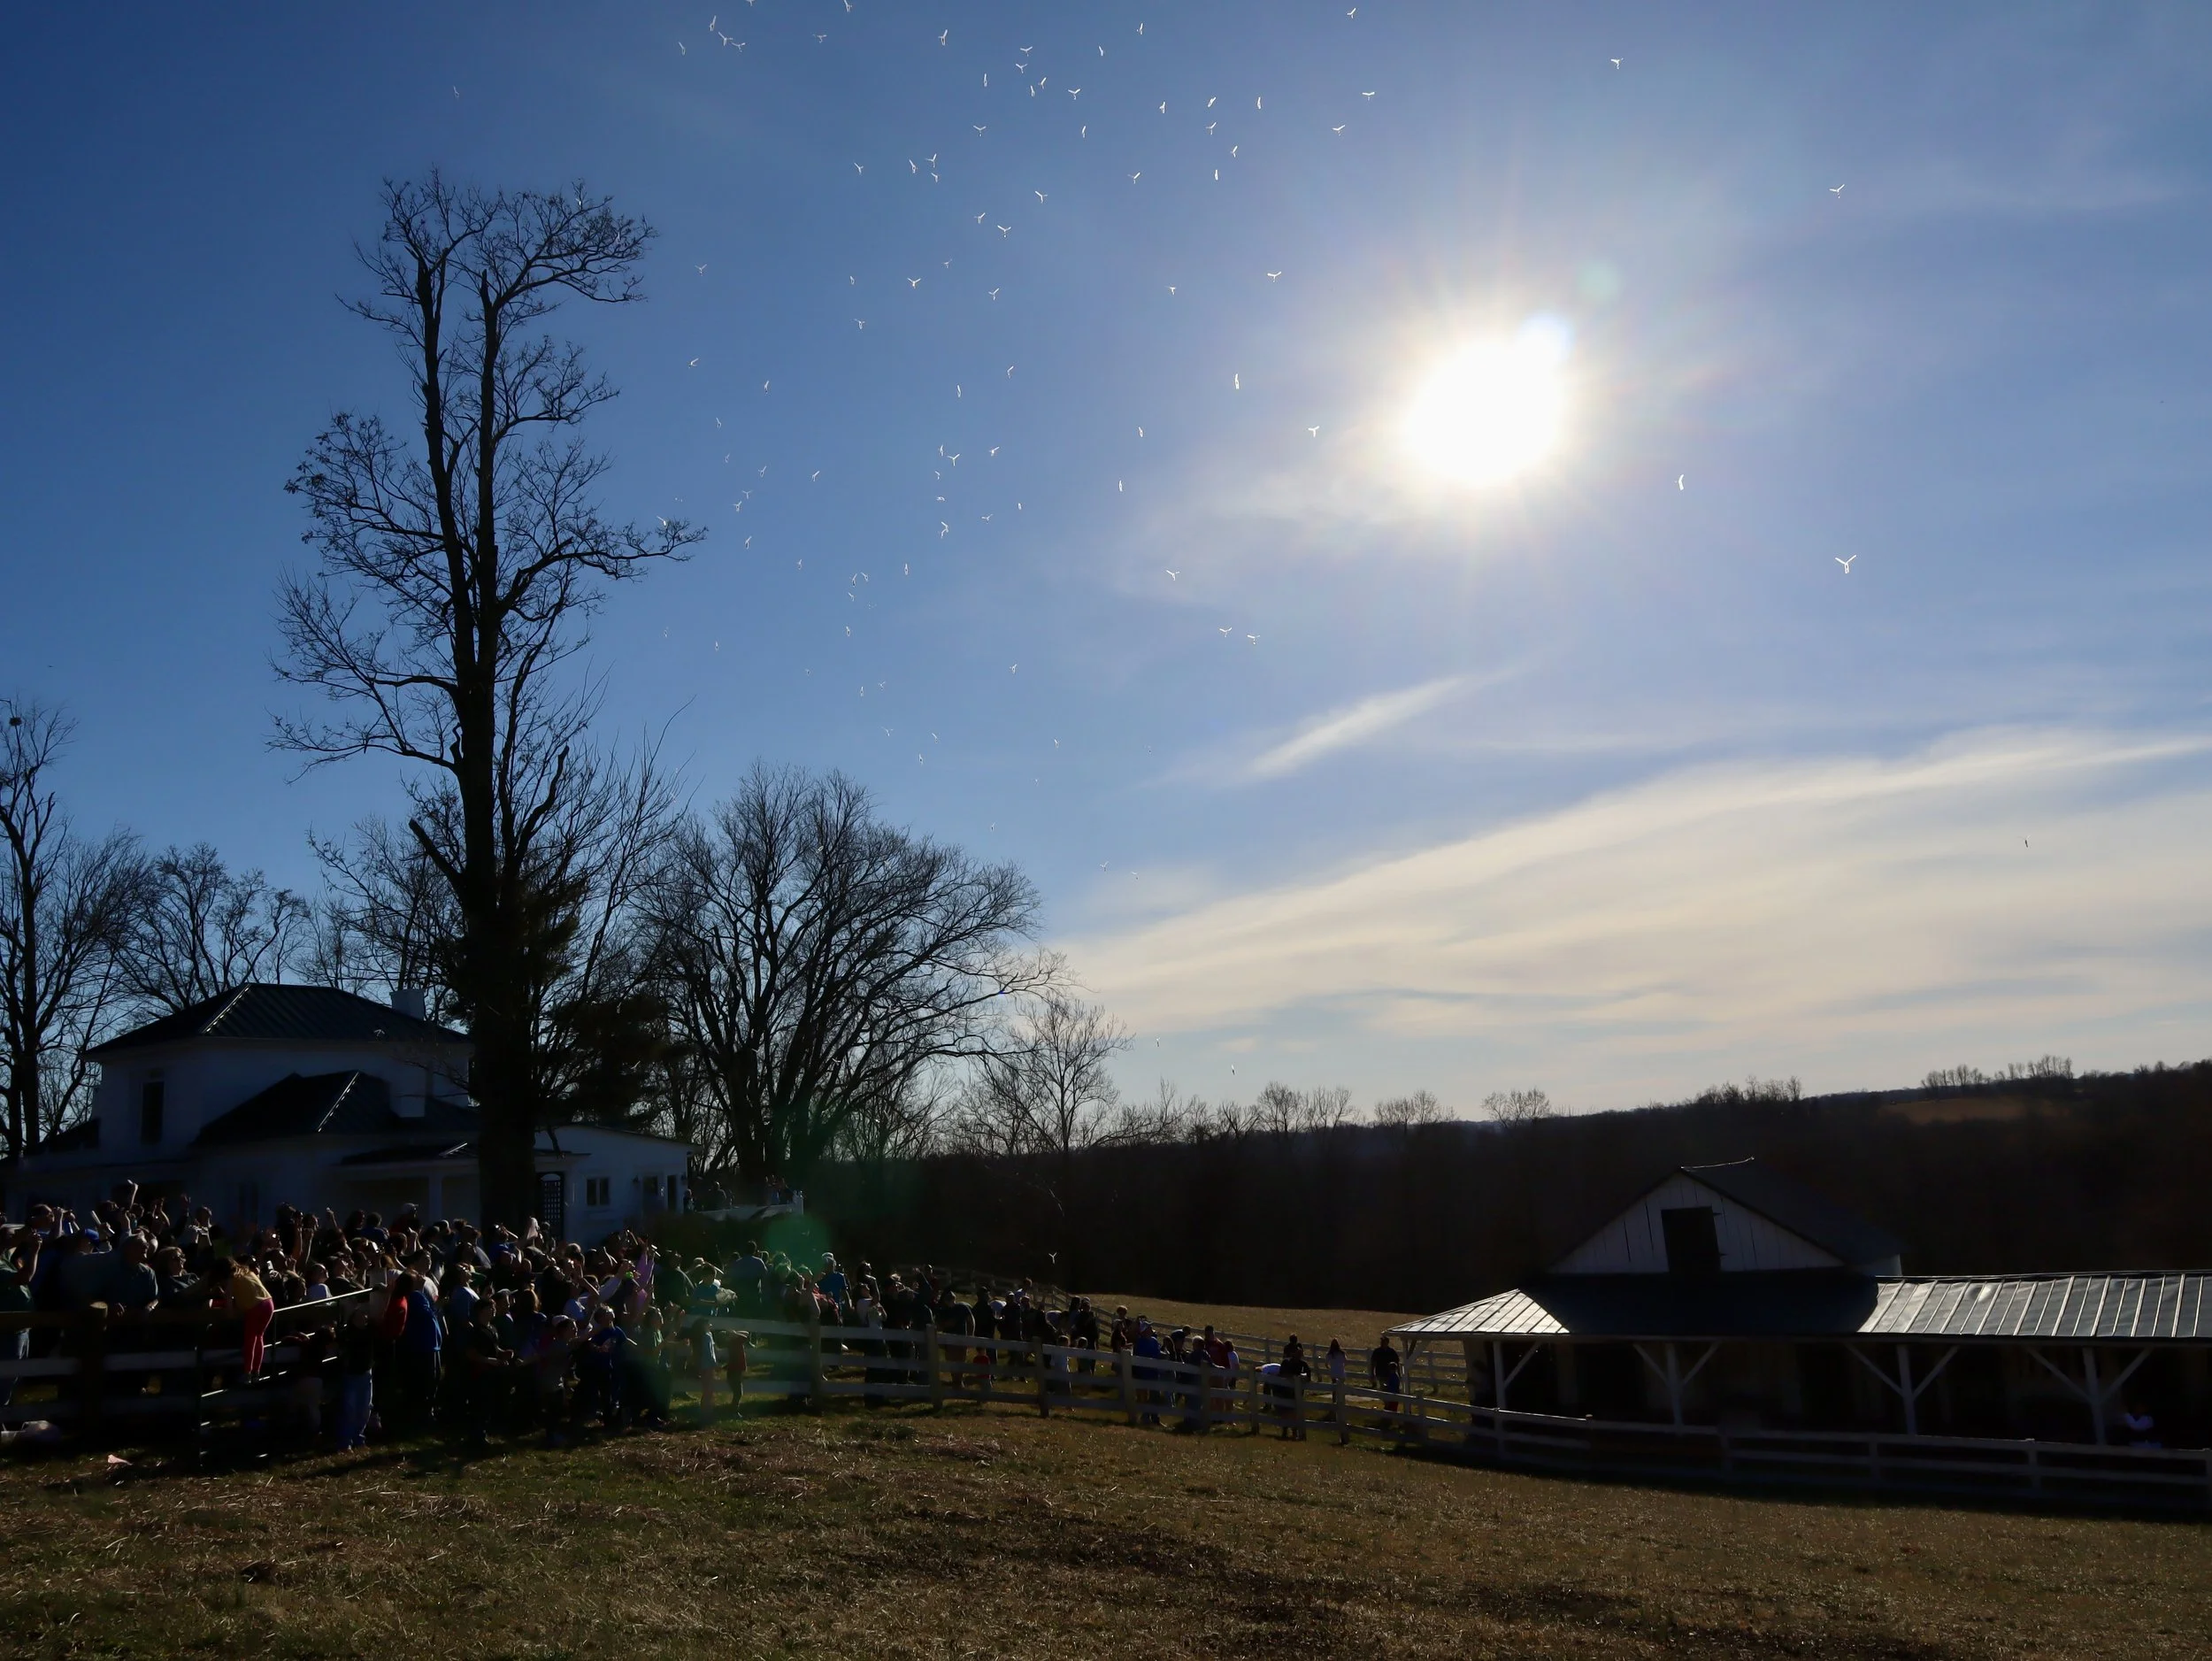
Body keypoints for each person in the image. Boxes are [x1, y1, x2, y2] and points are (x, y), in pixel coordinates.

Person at [334, 1307, 376, 1450]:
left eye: (364, 1314)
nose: (364, 1317)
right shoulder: (347, 1335)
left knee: (365, 1408)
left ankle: (358, 1438)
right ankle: (346, 1441)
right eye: (360, 1315)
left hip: (365, 1373)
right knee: (349, 1409)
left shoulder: (370, 1331)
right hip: (351, 1374)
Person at [1369, 1335, 1402, 1414]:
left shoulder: (1391, 1351)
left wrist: (1399, 1373)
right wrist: (1372, 1373)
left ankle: (1388, 1406)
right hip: (1380, 1373)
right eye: (1381, 1341)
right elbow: (1373, 1363)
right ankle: (1387, 1404)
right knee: (1383, 1390)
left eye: (1383, 1341)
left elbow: (1397, 1362)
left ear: (1387, 1342)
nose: (1382, 1343)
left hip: (1389, 1374)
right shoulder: (1377, 1351)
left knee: (1390, 1390)